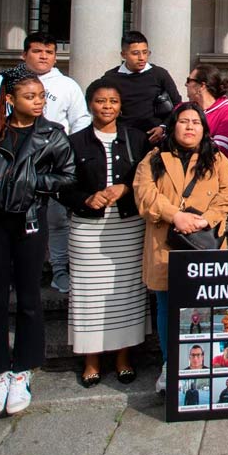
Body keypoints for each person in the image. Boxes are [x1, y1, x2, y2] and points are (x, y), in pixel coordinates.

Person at [0, 64, 76, 418]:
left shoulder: (53, 134)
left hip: (28, 221)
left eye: (41, 96)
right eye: (30, 96)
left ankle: (23, 370)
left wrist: (32, 183)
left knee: (29, 297)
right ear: (10, 100)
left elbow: (67, 176)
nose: (38, 101)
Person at [0, 32, 88, 301]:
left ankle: (60, 271)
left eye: (49, 52)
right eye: (37, 51)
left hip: (47, 168)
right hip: (5, 171)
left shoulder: (67, 86)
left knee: (56, 222)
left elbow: (79, 122)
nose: (44, 56)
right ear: (24, 54)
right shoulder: (2, 83)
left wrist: (67, 158)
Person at [134, 102, 228, 396]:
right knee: (167, 307)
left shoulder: (216, 159)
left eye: (196, 122)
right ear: (173, 125)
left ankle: (204, 364)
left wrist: (207, 218)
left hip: (203, 243)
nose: (190, 126)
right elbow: (144, 194)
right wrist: (174, 215)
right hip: (165, 245)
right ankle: (171, 364)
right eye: (183, 121)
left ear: (204, 129)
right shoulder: (154, 158)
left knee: (206, 306)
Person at [59, 79, 149, 388]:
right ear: (89, 105)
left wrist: (126, 188)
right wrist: (85, 198)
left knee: (125, 292)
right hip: (87, 227)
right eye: (100, 101)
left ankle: (124, 356)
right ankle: (91, 359)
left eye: (112, 101)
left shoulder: (136, 139)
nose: (107, 106)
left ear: (120, 105)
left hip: (127, 225)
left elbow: (148, 178)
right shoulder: (74, 142)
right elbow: (61, 186)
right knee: (89, 295)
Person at [101, 30, 181, 145]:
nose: (141, 58)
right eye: (135, 53)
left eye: (145, 52)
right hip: (123, 139)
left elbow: (178, 105)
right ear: (123, 55)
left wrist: (163, 127)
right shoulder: (110, 78)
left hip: (154, 138)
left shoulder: (159, 74)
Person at [184, 61, 228, 163]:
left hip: (214, 172)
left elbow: (220, 148)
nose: (186, 84)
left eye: (189, 80)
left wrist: (185, 144)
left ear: (202, 86)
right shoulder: (183, 108)